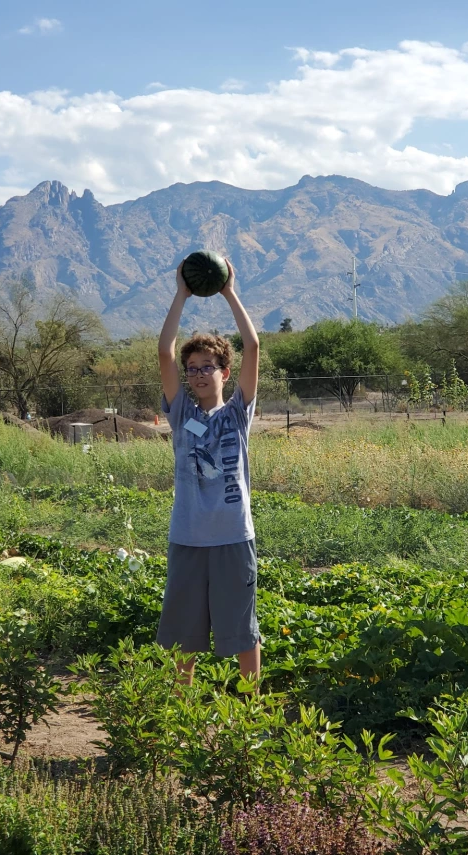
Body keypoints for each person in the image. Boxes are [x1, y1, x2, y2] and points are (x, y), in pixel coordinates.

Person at [156, 257, 262, 687]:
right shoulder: (181, 412)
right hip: (188, 536)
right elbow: (164, 350)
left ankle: (252, 710)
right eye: (192, 369)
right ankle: (181, 712)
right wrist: (181, 293)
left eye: (207, 367)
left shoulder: (239, 413)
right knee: (184, 632)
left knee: (242, 629)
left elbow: (253, 346)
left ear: (225, 372)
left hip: (234, 535)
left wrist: (228, 292)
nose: (199, 375)